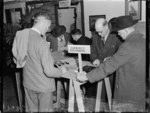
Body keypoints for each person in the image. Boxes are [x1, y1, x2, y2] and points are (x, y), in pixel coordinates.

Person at [77, 15, 146, 112]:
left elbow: (110, 65)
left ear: (125, 30)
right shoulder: (143, 41)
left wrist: (87, 77)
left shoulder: (127, 45)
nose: (118, 33)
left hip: (128, 92)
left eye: (119, 31)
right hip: (140, 89)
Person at [12, 11, 66, 112]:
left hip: (28, 83)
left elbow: (17, 58)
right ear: (45, 23)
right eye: (48, 26)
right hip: (43, 86)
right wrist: (61, 71)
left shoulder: (21, 35)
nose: (47, 29)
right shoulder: (42, 43)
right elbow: (49, 71)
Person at [86, 18, 122, 99]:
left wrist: (111, 57)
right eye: (97, 31)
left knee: (111, 95)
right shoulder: (95, 36)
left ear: (107, 27)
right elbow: (92, 51)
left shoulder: (116, 36)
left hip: (112, 71)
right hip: (99, 69)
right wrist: (94, 59)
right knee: (99, 94)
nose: (98, 34)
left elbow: (122, 53)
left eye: (100, 31)